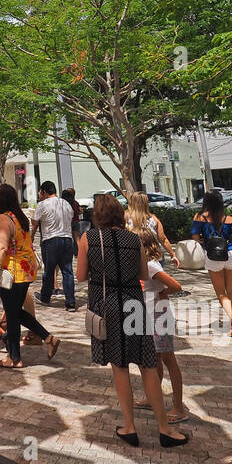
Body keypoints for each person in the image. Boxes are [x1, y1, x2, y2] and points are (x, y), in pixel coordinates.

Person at [78, 194, 188, 448]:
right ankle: (164, 429)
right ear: (120, 213)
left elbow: (82, 275)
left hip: (106, 303)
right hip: (133, 302)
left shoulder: (89, 238)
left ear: (98, 215)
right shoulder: (134, 239)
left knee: (120, 365)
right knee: (148, 363)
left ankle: (129, 426)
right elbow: (141, 273)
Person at [0, 183, 60, 369]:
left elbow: (2, 248)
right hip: (25, 270)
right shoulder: (19, 217)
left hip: (11, 272)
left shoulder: (3, 219)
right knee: (15, 313)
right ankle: (47, 338)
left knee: (12, 316)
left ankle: (15, 357)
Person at [135, 227, 189, 424]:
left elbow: (176, 286)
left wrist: (162, 294)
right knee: (154, 359)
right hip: (150, 316)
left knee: (168, 359)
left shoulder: (151, 266)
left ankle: (178, 406)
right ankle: (153, 397)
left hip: (160, 316)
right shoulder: (142, 264)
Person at [192, 189, 232, 338]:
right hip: (230, 255)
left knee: (221, 293)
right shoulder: (229, 219)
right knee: (231, 290)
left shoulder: (200, 217)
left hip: (213, 256)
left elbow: (195, 237)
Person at [32, 180, 77, 311]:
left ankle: (45, 296)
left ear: (44, 192)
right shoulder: (66, 204)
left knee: (49, 271)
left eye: (41, 192)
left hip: (50, 240)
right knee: (67, 271)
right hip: (67, 240)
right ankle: (70, 302)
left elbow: (34, 224)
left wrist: (30, 238)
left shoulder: (42, 205)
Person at [126, 191, 179, 270]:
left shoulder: (125, 217)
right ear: (145, 203)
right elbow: (162, 239)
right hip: (153, 255)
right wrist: (172, 254)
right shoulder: (153, 219)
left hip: (133, 256)